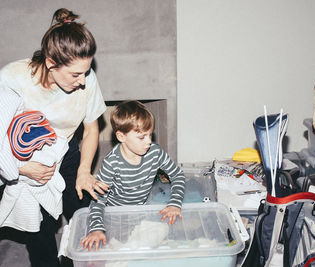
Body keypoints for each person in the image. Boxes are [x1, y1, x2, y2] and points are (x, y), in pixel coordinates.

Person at [0, 8, 109, 267]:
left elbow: (92, 128)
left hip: (67, 150)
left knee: (83, 212)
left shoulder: (87, 78)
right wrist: (22, 169)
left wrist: (84, 171)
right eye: (75, 74)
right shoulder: (13, 78)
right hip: (23, 156)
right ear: (51, 64)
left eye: (86, 72)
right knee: (40, 231)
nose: (83, 81)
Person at [80, 100, 186, 251]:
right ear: (121, 137)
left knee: (161, 239)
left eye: (150, 135)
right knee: (111, 253)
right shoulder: (111, 163)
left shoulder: (155, 153)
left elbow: (178, 175)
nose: (149, 142)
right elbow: (98, 201)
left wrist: (175, 203)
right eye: (142, 137)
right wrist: (96, 229)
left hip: (142, 216)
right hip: (115, 221)